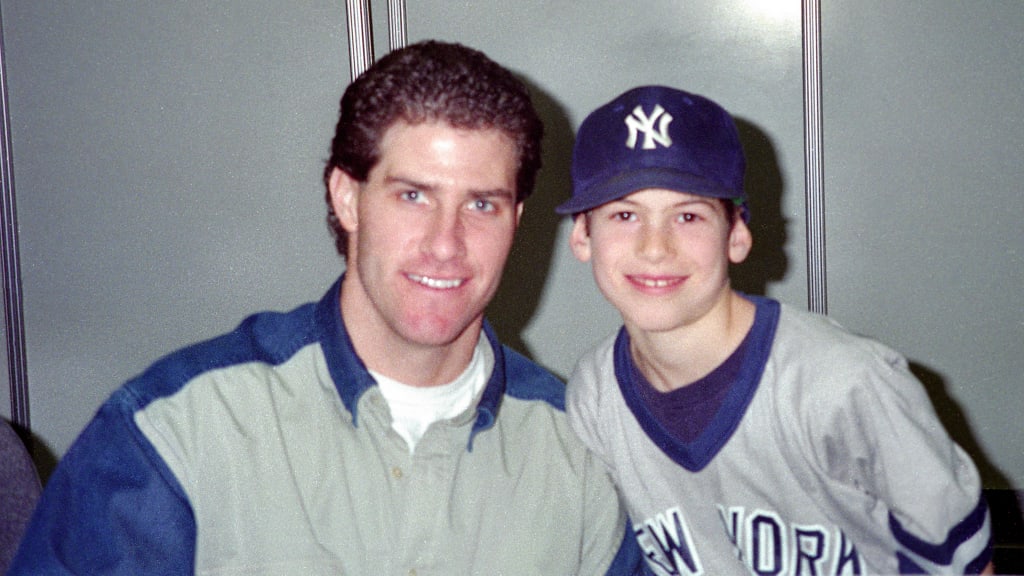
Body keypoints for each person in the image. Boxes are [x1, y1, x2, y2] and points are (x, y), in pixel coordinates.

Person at [10, 41, 641, 575]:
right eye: (414, 195)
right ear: (347, 197)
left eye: (482, 205)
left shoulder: (582, 456)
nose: (446, 244)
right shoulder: (177, 433)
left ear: (516, 221)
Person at [557, 85, 994, 575]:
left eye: (688, 215)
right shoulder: (595, 396)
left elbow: (964, 566)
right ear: (582, 235)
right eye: (624, 214)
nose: (655, 246)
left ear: (737, 234)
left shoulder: (842, 385)